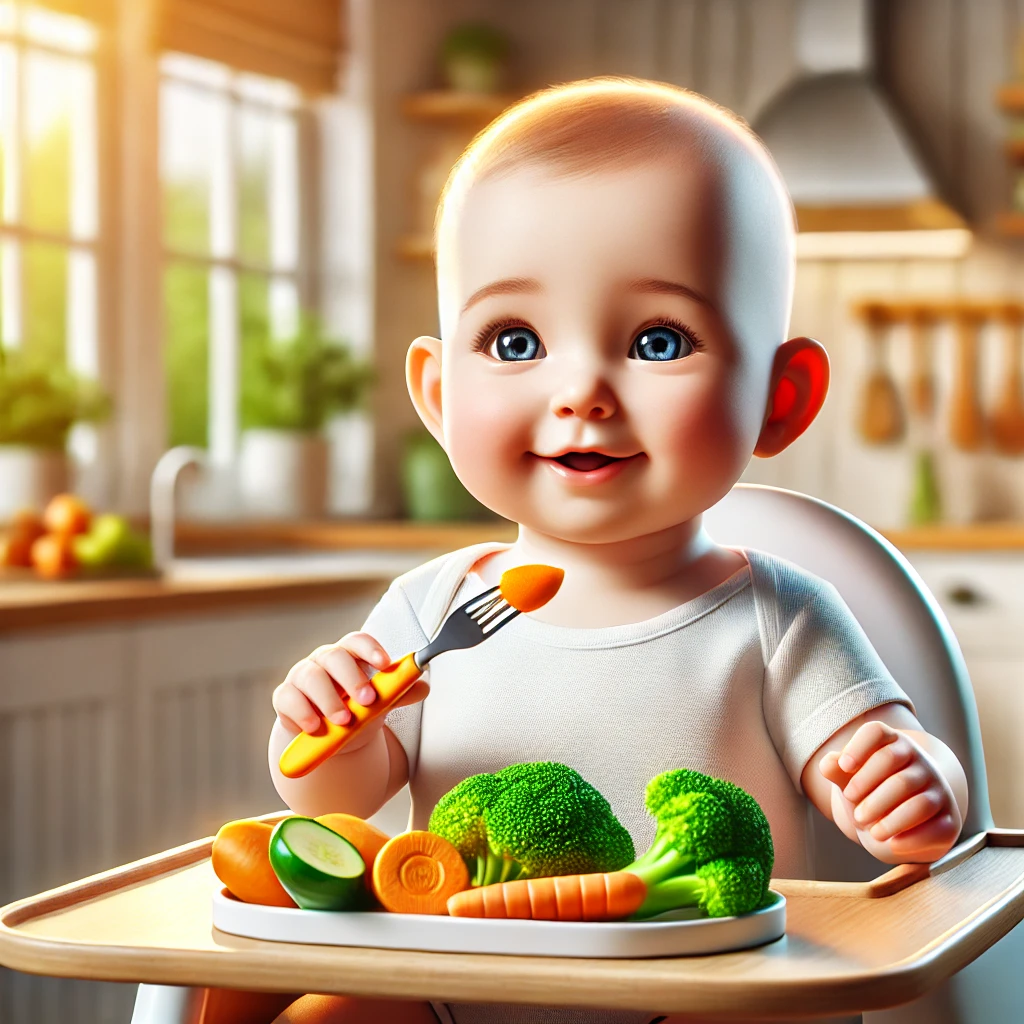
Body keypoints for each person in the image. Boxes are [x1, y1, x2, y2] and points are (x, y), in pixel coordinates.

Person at [261, 78, 968, 1024]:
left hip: (712, 994)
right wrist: (323, 736)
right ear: (437, 395)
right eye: (515, 341)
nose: (582, 391)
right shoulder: (430, 607)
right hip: (456, 995)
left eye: (658, 339)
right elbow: (346, 792)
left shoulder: (778, 614)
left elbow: (883, 757)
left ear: (779, 399)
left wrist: (916, 787)